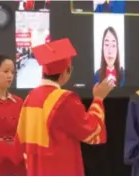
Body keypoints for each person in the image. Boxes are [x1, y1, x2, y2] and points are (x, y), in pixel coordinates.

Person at [13, 38, 115, 175]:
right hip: (59, 169)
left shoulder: (30, 98)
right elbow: (91, 131)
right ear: (65, 72)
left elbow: (20, 141)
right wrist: (98, 98)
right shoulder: (64, 100)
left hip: (35, 170)